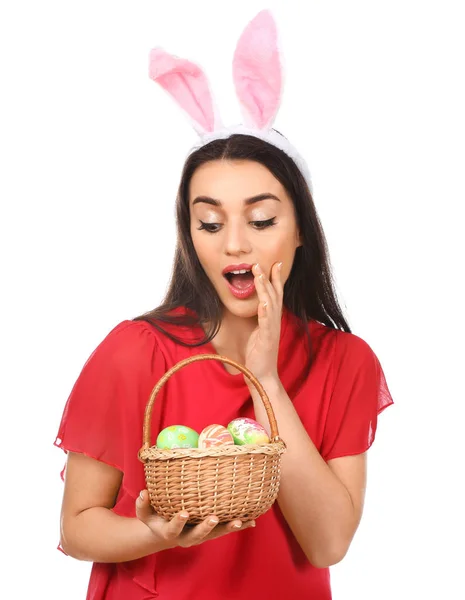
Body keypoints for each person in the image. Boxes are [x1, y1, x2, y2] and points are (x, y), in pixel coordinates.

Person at [54, 9, 394, 600]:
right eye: (209, 222)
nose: (234, 242)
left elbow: (328, 543)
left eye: (261, 219)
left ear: (301, 230)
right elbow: (76, 527)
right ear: (190, 234)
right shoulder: (136, 351)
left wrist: (266, 379)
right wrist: (156, 535)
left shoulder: (345, 361)